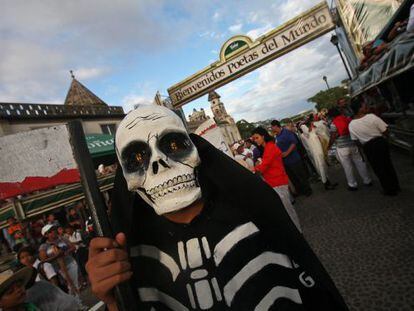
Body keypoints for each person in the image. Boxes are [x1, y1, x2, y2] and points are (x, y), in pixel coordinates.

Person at [86, 105, 348, 311]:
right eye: (137, 158)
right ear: (125, 178)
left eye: (174, 145)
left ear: (196, 150)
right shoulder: (131, 255)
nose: (160, 164)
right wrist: (116, 300)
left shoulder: (252, 214)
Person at [252, 127, 301, 230]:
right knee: (285, 209)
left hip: (277, 182)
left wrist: (251, 168)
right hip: (275, 181)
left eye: (257, 138)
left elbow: (263, 166)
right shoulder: (267, 147)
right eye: (254, 139)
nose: (255, 141)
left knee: (288, 210)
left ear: (263, 136)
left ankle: (297, 230)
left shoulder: (270, 147)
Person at [349, 100, 400, 195]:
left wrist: (364, 147)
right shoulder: (371, 117)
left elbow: (355, 141)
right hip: (380, 143)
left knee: (378, 169)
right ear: (359, 108)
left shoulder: (352, 125)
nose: (366, 107)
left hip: (368, 147)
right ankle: (395, 186)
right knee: (388, 164)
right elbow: (385, 130)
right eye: (364, 105)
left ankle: (389, 189)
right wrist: (386, 139)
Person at [328, 107, 372, 191]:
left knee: (347, 166)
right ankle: (367, 180)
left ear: (331, 116)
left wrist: (329, 145)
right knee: (360, 162)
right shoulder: (347, 119)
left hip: (342, 147)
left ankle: (352, 184)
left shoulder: (333, 124)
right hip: (352, 144)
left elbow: (333, 136)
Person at [271, 120, 312, 196]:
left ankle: (308, 190)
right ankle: (301, 191)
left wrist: (287, 153)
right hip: (286, 162)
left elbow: (294, 142)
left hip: (294, 159)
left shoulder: (286, 132)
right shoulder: (277, 136)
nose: (271, 129)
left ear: (276, 126)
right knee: (294, 177)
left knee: (301, 176)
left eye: (272, 127)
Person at [38, 225, 79, 295]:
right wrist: (56, 256)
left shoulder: (62, 238)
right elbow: (44, 260)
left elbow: (73, 247)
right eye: (50, 231)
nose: (53, 232)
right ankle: (76, 302)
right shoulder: (44, 246)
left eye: (53, 229)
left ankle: (78, 303)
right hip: (58, 269)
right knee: (69, 285)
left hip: (70, 263)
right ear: (46, 235)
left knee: (73, 284)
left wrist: (66, 252)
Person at [300, 124, 337, 190]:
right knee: (321, 168)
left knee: (324, 167)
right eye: (305, 127)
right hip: (315, 154)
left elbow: (322, 133)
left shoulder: (313, 131)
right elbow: (306, 146)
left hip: (320, 152)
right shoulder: (303, 136)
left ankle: (328, 182)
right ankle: (326, 184)